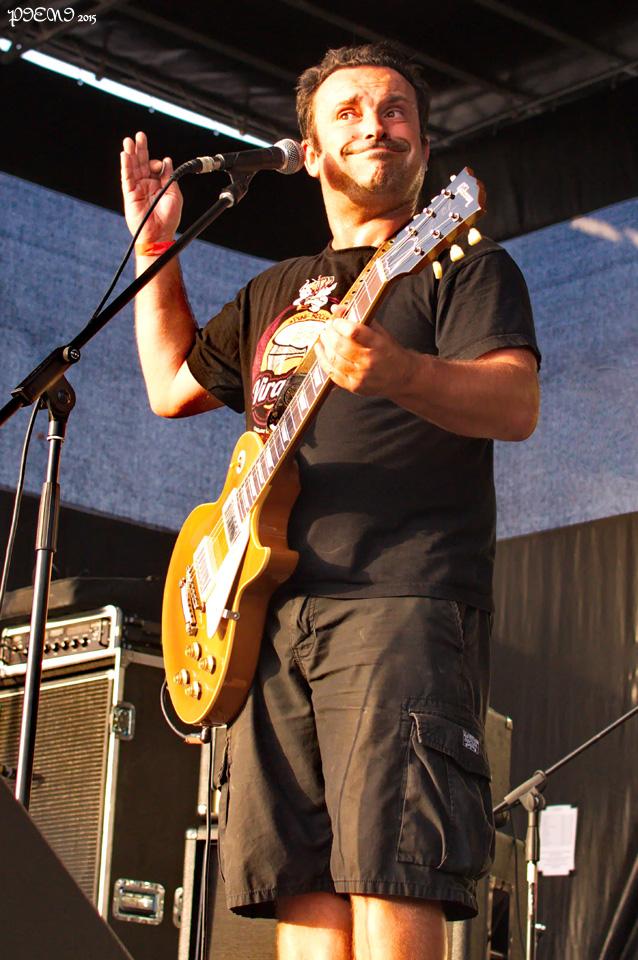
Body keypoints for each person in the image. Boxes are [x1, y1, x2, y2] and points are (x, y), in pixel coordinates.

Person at [121, 42, 539, 960]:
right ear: (308, 151)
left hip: (399, 594)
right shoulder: (276, 288)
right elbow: (168, 386)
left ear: (423, 148)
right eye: (348, 112)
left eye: (395, 111)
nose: (375, 125)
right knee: (300, 891)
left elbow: (516, 404)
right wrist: (154, 245)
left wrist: (399, 373)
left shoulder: (457, 262)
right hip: (262, 611)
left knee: (392, 874)